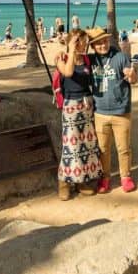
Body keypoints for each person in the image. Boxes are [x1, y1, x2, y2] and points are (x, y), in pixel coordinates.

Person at [53, 29, 103, 200]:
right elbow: (67, 73)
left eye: (85, 41)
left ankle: (81, 180)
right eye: (80, 41)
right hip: (71, 106)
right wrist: (71, 50)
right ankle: (64, 182)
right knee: (71, 147)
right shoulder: (62, 59)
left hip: (86, 105)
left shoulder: (87, 59)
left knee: (87, 146)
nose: (84, 44)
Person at [87, 27, 138, 193]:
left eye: (105, 41)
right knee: (103, 149)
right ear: (93, 46)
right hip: (100, 112)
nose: (103, 45)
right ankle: (106, 177)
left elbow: (133, 78)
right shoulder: (90, 60)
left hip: (121, 111)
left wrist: (131, 75)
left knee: (123, 148)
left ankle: (126, 177)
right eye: (98, 43)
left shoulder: (120, 57)